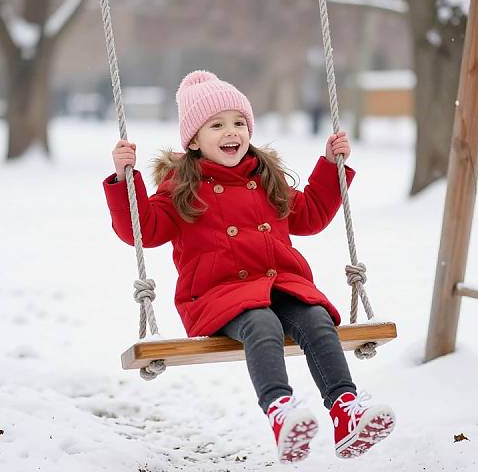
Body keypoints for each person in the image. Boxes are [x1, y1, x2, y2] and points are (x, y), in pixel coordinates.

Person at [103, 70, 395, 463]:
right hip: (217, 294)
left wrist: (330, 166)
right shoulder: (181, 186)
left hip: (281, 283)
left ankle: (345, 409)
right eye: (217, 124)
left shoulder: (264, 178)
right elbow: (144, 229)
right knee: (262, 324)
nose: (232, 132)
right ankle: (281, 413)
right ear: (193, 139)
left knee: (315, 318)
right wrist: (126, 180)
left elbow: (309, 214)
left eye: (239, 123)